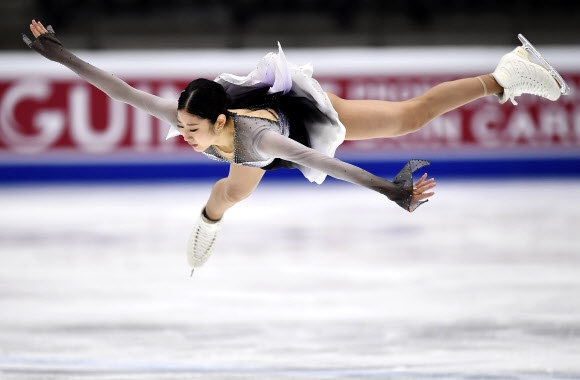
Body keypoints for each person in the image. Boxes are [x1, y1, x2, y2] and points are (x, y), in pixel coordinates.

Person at [23, 20, 568, 273]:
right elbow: (119, 88)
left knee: (407, 117)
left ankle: (503, 77)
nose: (182, 137)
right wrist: (57, 53)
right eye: (181, 128)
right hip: (244, 148)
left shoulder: (261, 138)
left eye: (191, 131)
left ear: (218, 121)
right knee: (228, 198)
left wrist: (390, 190)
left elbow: (324, 160)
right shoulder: (189, 114)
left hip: (297, 129)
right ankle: (207, 221)